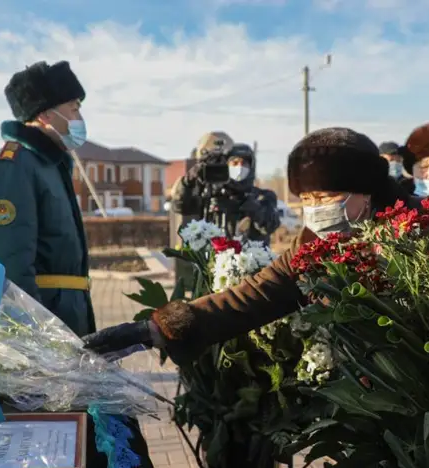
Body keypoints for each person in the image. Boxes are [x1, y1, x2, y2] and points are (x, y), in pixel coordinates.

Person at [0, 60, 169, 468]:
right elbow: (11, 274)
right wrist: (38, 353)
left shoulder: (48, 165)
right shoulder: (12, 168)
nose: (79, 115)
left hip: (67, 326)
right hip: (45, 336)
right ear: (44, 113)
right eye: (73, 105)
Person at [82, 126, 410, 364]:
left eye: (324, 197)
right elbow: (256, 295)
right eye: (307, 199)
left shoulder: (413, 232)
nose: (315, 209)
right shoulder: (313, 244)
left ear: (366, 190)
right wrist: (156, 329)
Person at [171, 133, 279, 243]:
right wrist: (188, 180)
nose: (239, 167)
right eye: (235, 163)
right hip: (215, 257)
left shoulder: (263, 197)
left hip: (251, 257)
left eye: (244, 164)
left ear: (251, 167)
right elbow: (180, 206)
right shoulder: (210, 195)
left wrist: (251, 206)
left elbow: (268, 226)